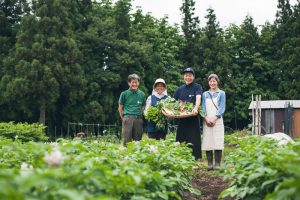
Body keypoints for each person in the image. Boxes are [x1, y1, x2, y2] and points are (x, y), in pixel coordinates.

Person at [173, 67, 203, 160]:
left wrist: (196, 108)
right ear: (184, 77)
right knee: (181, 137)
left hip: (193, 117)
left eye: (190, 75)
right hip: (182, 118)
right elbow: (173, 102)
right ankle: (180, 156)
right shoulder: (179, 89)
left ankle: (196, 157)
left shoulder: (197, 87)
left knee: (194, 137)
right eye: (186, 75)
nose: (188, 77)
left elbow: (198, 98)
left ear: (193, 77)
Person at [201, 74, 226, 170]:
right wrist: (206, 118)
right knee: (208, 141)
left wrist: (215, 118)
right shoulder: (205, 94)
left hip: (218, 120)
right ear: (208, 83)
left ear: (217, 82)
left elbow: (222, 107)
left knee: (218, 141)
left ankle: (217, 164)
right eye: (210, 81)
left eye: (214, 81)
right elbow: (203, 108)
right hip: (207, 120)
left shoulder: (221, 93)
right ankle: (210, 164)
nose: (212, 83)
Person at [118, 74, 146, 146]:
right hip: (127, 118)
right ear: (129, 83)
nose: (134, 84)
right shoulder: (124, 94)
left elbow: (143, 106)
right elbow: (120, 107)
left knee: (138, 141)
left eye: (136, 82)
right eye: (132, 82)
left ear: (138, 83)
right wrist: (123, 118)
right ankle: (126, 156)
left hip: (138, 119)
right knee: (127, 141)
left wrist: (140, 115)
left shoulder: (142, 94)